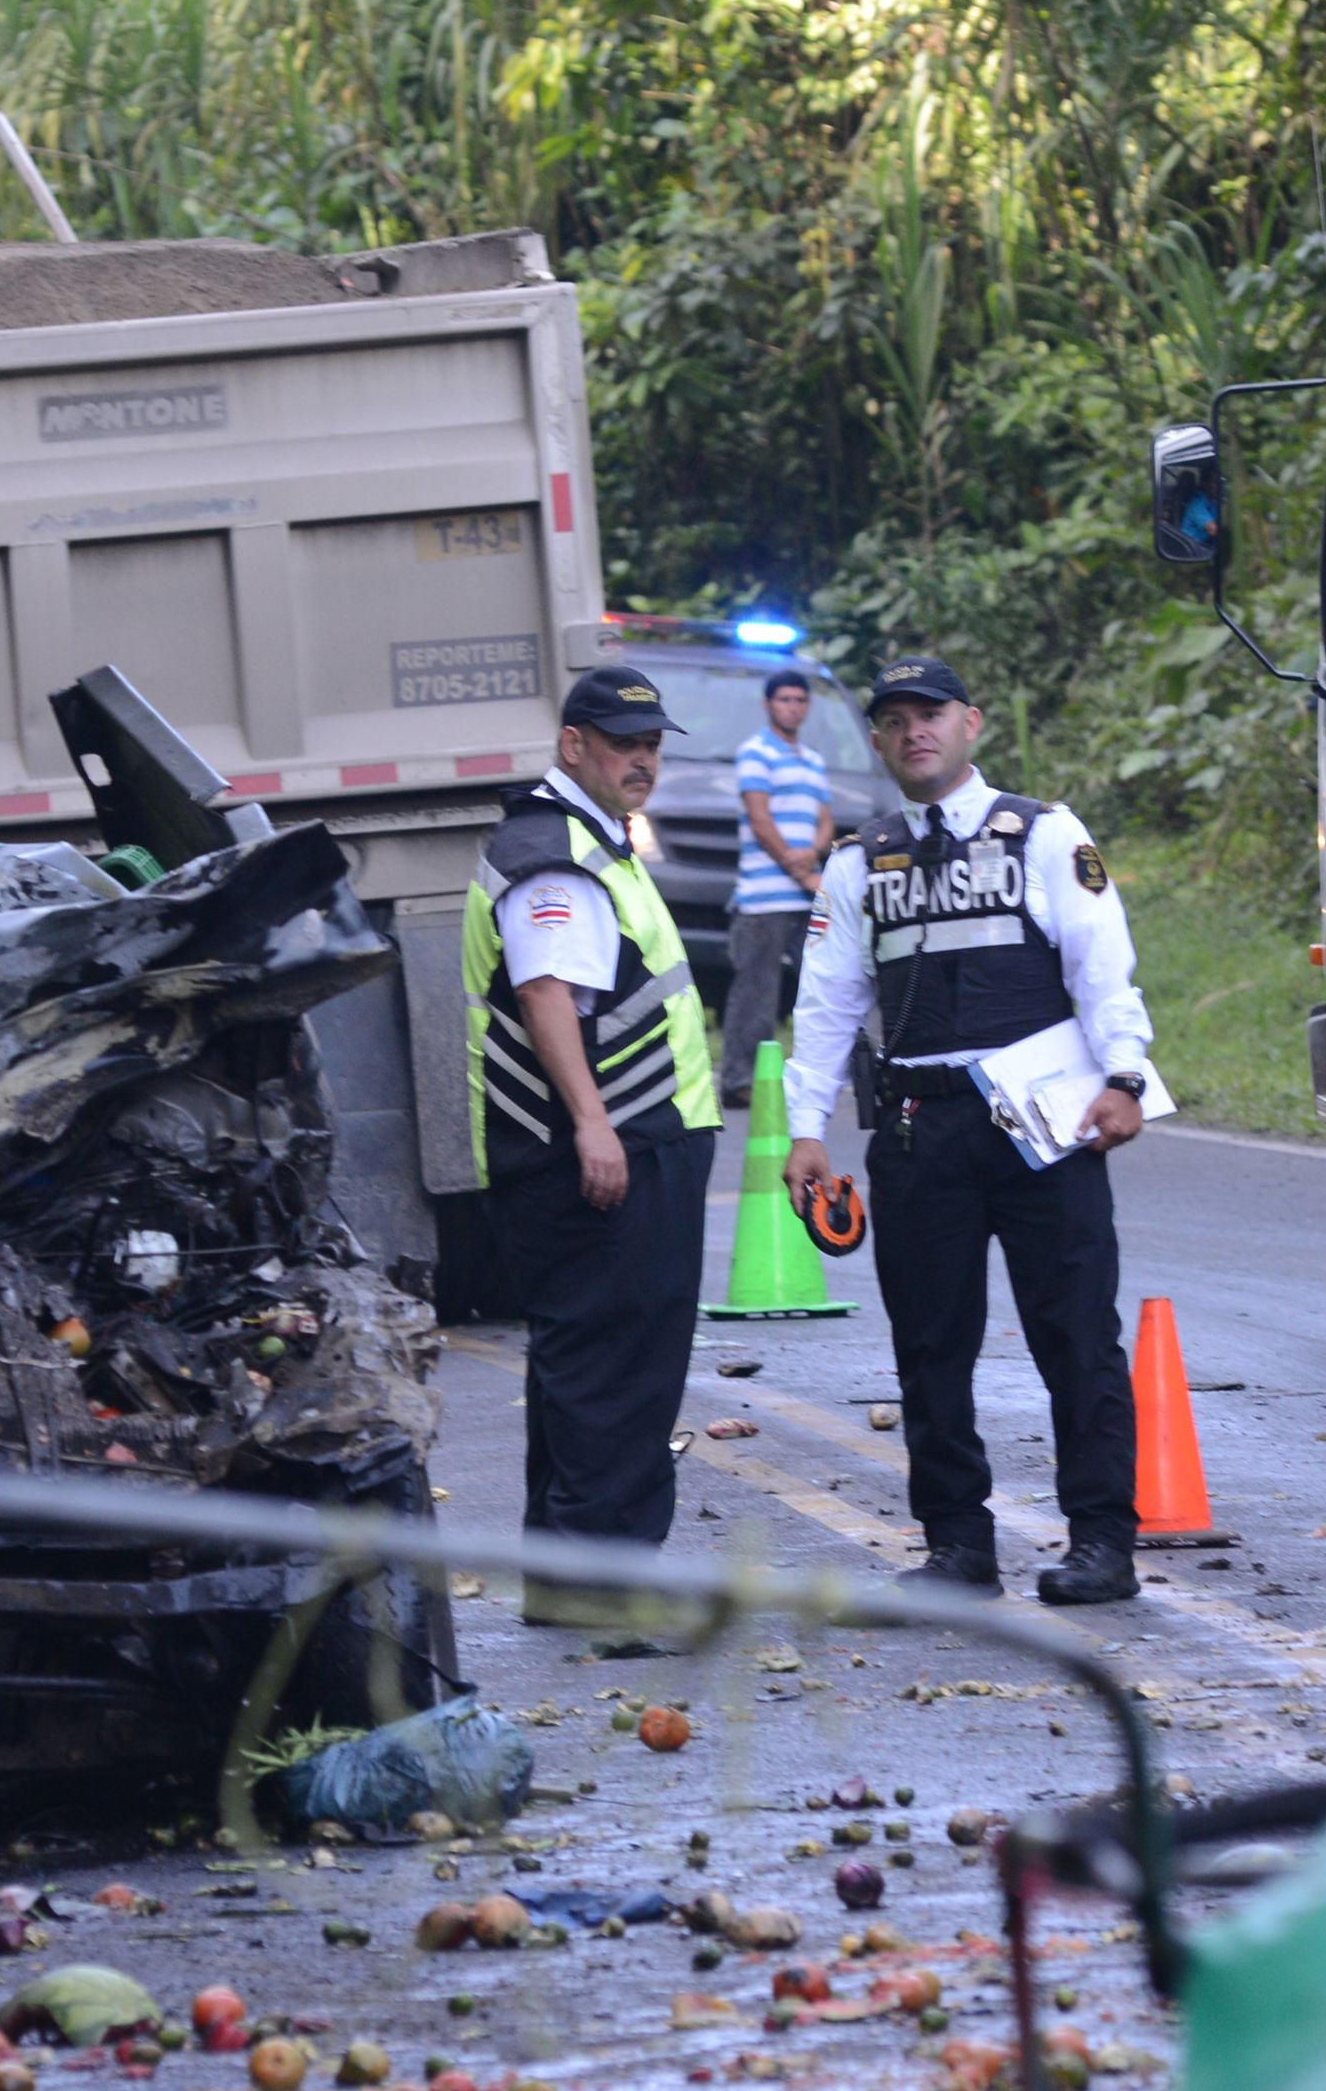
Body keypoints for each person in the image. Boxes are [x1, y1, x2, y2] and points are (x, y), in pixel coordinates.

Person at [779, 657, 1166, 1606]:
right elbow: (826, 1005)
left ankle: (1102, 1542)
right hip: (921, 1129)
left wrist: (1122, 1077)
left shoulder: (1044, 834)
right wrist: (805, 1130)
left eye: (933, 715)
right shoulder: (855, 861)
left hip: (1046, 1127)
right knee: (930, 1345)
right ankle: (958, 1546)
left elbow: (1100, 966)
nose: (917, 731)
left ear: (972, 724)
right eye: (897, 719)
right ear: (877, 740)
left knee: (1076, 1336)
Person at [459, 663, 725, 1589]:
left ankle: (572, 1579)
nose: (641, 760)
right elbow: (544, 991)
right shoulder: (553, 851)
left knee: (586, 1368)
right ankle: (602, 1588)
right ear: (573, 745)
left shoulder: (586, 837)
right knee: (620, 1372)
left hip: (625, 1139)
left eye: (651, 744)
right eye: (622, 743)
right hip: (608, 1150)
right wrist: (594, 1125)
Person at [721, 670, 838, 1101]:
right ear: (768, 704)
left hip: (805, 892)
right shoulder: (754, 753)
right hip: (763, 897)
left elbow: (825, 819)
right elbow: (760, 818)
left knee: (823, 985)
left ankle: (821, 1075)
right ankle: (739, 1081)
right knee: (756, 993)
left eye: (800, 700)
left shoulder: (813, 760)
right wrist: (800, 868)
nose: (793, 706)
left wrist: (813, 853)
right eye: (785, 699)